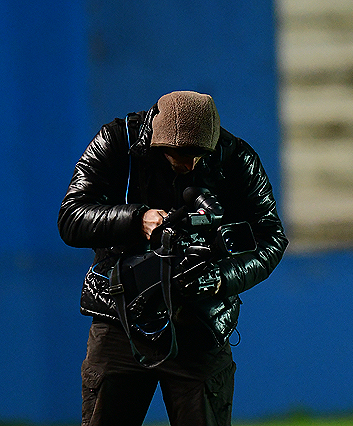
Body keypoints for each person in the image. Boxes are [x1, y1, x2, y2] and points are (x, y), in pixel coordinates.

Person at [58, 90, 288, 426]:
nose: (189, 163)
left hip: (200, 320)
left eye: (199, 154)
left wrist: (222, 277)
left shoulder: (235, 158)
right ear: (155, 139)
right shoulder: (117, 140)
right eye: (178, 154)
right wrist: (137, 220)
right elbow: (71, 217)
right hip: (122, 316)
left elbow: (271, 237)